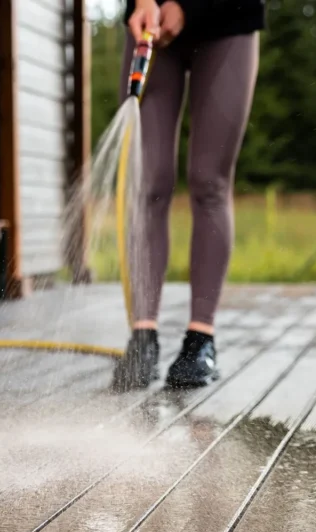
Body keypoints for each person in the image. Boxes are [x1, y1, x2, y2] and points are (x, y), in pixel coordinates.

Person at [111, 0, 265, 393]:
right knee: (149, 183)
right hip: (153, 27)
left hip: (227, 23)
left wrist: (189, 6)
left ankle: (200, 341)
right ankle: (142, 337)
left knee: (209, 182)